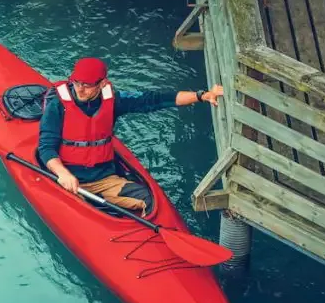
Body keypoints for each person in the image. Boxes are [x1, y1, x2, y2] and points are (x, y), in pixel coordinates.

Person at [37, 57, 222, 217]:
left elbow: (155, 99)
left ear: (102, 84)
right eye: (77, 82)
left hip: (104, 180)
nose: (80, 89)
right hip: (67, 179)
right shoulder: (57, 106)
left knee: (148, 200)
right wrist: (63, 174)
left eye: (87, 85)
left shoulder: (114, 101)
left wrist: (201, 96)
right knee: (81, 211)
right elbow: (46, 147)